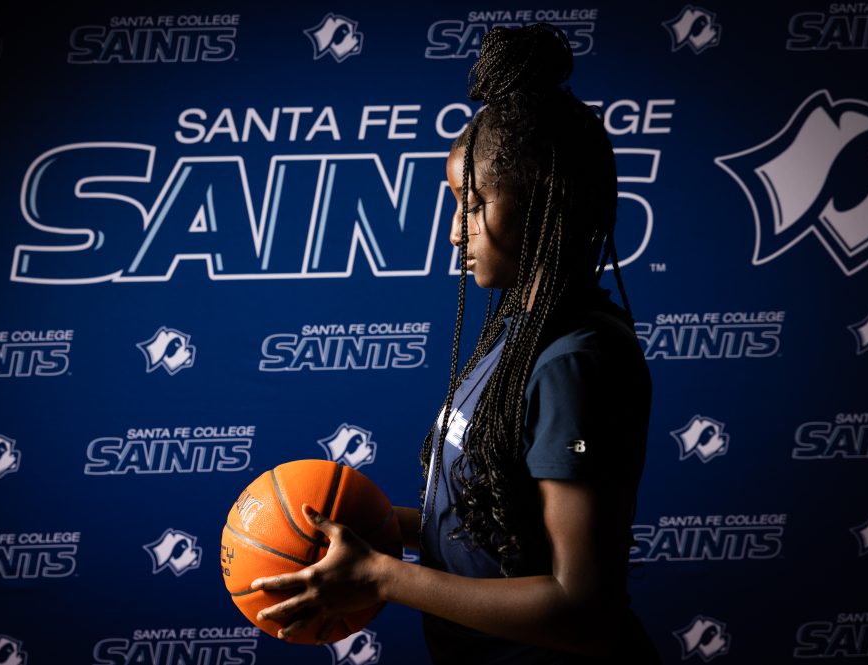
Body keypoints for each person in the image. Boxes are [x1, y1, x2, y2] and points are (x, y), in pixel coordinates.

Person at [251, 23, 661, 664]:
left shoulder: (576, 362)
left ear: (540, 205)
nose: (453, 232)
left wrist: (383, 576)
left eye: (471, 204)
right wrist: (369, 525)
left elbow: (583, 609)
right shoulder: (515, 334)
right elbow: (494, 529)